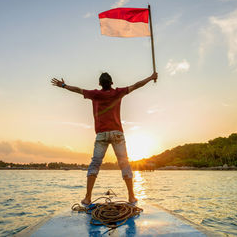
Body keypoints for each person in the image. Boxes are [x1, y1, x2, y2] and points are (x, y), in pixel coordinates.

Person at [51, 71, 158, 204]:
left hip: (101, 134)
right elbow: (136, 85)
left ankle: (88, 197)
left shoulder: (95, 94)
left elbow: (77, 90)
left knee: (95, 164)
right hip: (117, 133)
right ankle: (131, 196)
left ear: (100, 84)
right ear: (112, 83)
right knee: (124, 164)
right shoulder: (118, 92)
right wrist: (151, 77)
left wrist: (63, 85)